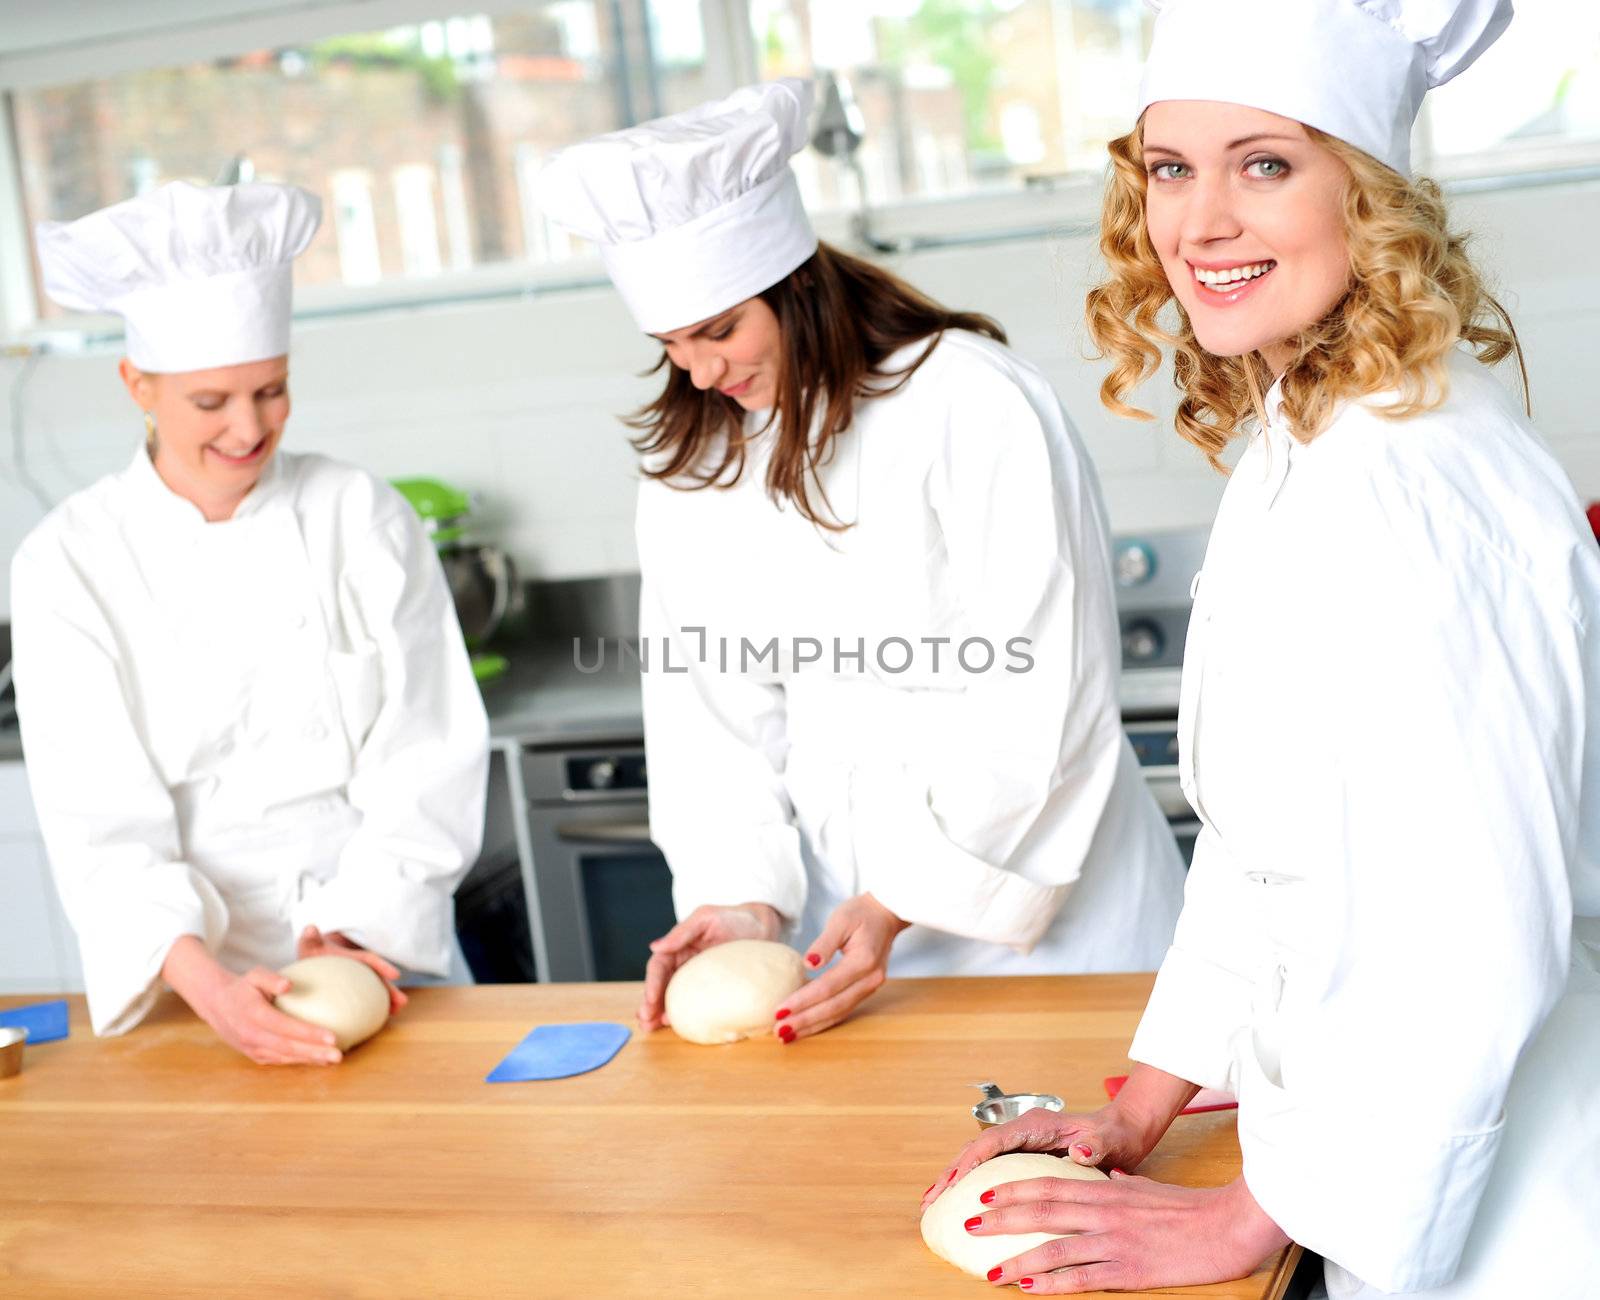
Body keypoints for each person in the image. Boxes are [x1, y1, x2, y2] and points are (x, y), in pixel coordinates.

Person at [921, 1, 1600, 1295]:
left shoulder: (1417, 482)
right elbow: (1262, 863)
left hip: (1511, 1220)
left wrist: (1258, 1212)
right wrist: (1142, 1108)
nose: (1201, 223)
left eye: (1267, 164)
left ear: (1376, 195)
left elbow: (1473, 934)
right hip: (1371, 1173)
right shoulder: (1314, 432)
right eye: (1172, 170)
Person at [539, 81, 1186, 1043]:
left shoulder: (966, 398)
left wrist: (901, 898)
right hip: (849, 943)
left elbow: (1045, 690)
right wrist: (744, 899)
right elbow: (711, 717)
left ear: (800, 286)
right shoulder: (696, 464)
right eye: (672, 344)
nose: (703, 372)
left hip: (1056, 926)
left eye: (720, 329)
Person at [11, 181, 489, 1064]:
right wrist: (210, 988)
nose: (249, 426)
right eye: (211, 402)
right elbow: (102, 825)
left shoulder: (358, 513)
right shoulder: (65, 564)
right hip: (191, 990)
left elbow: (428, 752)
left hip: (388, 962)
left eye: (271, 391)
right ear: (138, 385)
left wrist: (355, 934)